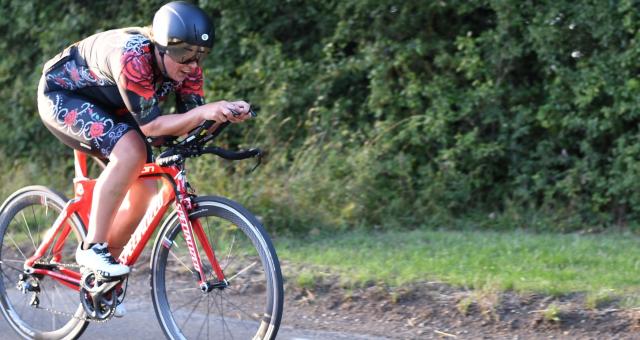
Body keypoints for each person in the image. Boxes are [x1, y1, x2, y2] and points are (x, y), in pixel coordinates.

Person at [37, 2, 251, 282]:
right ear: (161, 47)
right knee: (132, 152)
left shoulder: (189, 69)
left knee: (145, 190)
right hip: (63, 94)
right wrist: (203, 112)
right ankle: (92, 248)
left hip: (115, 107)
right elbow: (151, 127)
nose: (192, 64)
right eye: (183, 54)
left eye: (200, 55)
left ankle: (101, 276)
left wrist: (225, 113)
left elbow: (189, 121)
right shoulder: (133, 57)